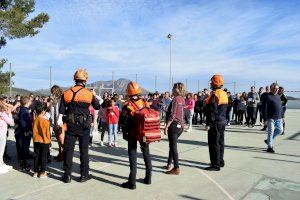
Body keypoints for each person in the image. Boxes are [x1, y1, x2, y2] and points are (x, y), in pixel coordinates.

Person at [59, 69, 100, 183]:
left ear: (75, 79)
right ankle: (84, 175)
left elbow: (61, 110)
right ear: (85, 80)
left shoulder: (66, 93)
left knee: (69, 151)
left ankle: (67, 176)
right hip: (84, 126)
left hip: (71, 125)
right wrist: (94, 96)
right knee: (84, 151)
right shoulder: (88, 93)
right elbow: (97, 107)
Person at [120, 82, 152, 190]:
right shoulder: (145, 103)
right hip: (144, 133)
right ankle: (148, 178)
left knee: (132, 157)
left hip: (132, 134)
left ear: (128, 93)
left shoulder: (127, 105)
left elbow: (123, 121)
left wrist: (124, 133)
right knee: (146, 154)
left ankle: (132, 182)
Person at [205, 74, 228, 171]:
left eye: (212, 82)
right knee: (220, 142)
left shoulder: (215, 94)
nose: (210, 83)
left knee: (214, 143)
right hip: (222, 121)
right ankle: (220, 161)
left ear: (215, 83)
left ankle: (215, 165)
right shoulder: (224, 93)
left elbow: (212, 111)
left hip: (215, 122)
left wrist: (208, 124)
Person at [164, 82, 185, 175]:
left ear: (176, 89)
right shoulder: (182, 99)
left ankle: (176, 168)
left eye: (173, 88)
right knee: (172, 146)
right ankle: (169, 164)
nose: (171, 89)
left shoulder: (176, 99)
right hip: (180, 125)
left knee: (173, 147)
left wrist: (166, 125)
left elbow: (173, 114)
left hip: (174, 125)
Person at [32, 101, 51, 178]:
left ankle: (36, 172)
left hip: (36, 140)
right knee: (44, 156)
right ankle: (43, 172)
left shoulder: (35, 119)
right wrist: (50, 142)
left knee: (36, 155)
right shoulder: (46, 121)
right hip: (45, 141)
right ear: (43, 111)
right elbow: (48, 133)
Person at [263, 83, 283, 153]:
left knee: (280, 130)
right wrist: (265, 119)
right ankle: (269, 147)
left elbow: (280, 107)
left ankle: (268, 141)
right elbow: (264, 108)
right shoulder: (267, 96)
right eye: (275, 88)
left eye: (277, 88)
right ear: (271, 88)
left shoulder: (278, 96)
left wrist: (282, 117)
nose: (277, 90)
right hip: (270, 117)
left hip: (279, 118)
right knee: (270, 132)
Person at [16, 96, 33, 171]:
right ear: (26, 103)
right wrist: (27, 131)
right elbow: (23, 123)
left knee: (25, 148)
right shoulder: (24, 111)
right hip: (24, 133)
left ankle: (24, 162)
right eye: (29, 101)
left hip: (24, 132)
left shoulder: (24, 110)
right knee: (24, 148)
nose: (31, 103)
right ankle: (23, 164)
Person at [50, 85, 64, 162]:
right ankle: (60, 154)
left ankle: (62, 156)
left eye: (52, 92)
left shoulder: (61, 100)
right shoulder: (54, 101)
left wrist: (58, 122)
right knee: (58, 140)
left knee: (61, 141)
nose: (51, 94)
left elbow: (61, 112)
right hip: (54, 122)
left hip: (60, 122)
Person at [0, 100, 14, 174]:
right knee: (1, 150)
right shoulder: (3, 114)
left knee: (1, 150)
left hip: (1, 132)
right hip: (2, 133)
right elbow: (11, 123)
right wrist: (9, 114)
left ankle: (2, 164)